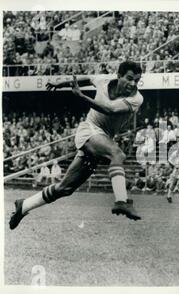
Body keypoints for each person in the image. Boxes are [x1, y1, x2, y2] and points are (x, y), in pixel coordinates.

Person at [9, 61, 144, 230]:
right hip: (88, 130)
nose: (132, 84)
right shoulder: (102, 80)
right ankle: (121, 201)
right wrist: (61, 84)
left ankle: (24, 205)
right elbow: (87, 78)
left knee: (65, 188)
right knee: (117, 154)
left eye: (136, 81)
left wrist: (81, 96)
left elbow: (109, 109)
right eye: (129, 79)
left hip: (102, 138)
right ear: (119, 76)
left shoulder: (136, 98)